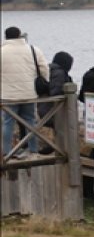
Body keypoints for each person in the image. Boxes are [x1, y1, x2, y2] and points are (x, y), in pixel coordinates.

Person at [1, 27, 50, 159]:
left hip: (8, 95)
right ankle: (33, 149)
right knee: (30, 121)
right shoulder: (33, 49)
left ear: (6, 36)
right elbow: (44, 68)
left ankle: (7, 152)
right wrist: (43, 82)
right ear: (19, 35)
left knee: (7, 122)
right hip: (29, 93)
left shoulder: (2, 51)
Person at [36, 51, 75, 155]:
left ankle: (54, 146)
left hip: (42, 106)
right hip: (51, 109)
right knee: (65, 125)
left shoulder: (49, 69)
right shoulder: (60, 73)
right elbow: (56, 92)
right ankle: (58, 148)